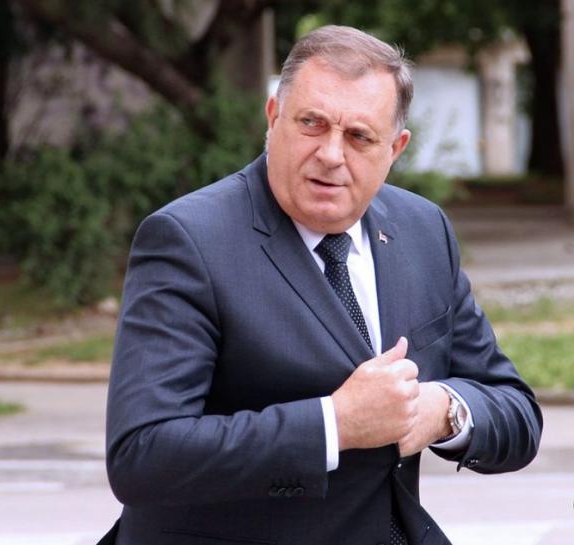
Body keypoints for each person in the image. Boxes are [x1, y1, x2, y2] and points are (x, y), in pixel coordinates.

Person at [102, 25, 542, 545]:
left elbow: (516, 412)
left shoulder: (423, 230)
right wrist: (334, 424)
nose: (331, 154)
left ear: (394, 149)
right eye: (312, 124)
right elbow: (142, 455)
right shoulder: (189, 240)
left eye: (359, 136)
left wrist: (442, 411)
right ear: (273, 118)